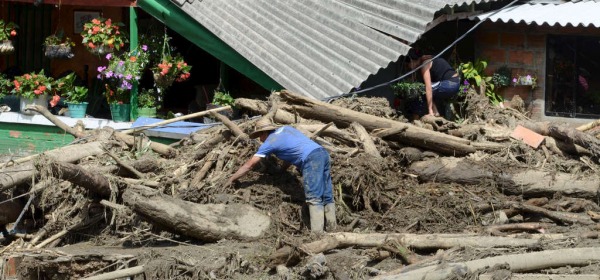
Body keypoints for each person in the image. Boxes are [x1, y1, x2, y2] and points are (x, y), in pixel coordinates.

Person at [225, 118, 336, 234]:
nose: (260, 140)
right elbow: (291, 152)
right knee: (327, 195)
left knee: (314, 197)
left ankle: (317, 235)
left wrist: (231, 179)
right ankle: (332, 229)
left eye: (259, 136)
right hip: (322, 153)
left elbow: (249, 165)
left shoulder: (270, 143)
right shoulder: (287, 129)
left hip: (311, 160)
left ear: (264, 132)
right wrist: (281, 170)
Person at [407, 48, 460, 118]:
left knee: (422, 89)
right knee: (428, 90)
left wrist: (429, 111)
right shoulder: (430, 59)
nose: (408, 68)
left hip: (450, 83)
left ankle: (426, 114)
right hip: (455, 83)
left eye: (407, 65)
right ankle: (435, 112)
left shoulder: (425, 65)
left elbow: (428, 88)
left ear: (412, 61)